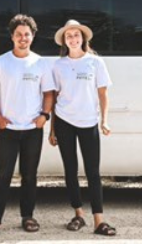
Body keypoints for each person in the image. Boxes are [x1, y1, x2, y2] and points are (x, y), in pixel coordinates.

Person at [0, 14, 55, 238]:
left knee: (30, 175)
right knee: (3, 176)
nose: (23, 38)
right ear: (12, 36)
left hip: (33, 130)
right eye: (19, 34)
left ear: (33, 37)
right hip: (8, 131)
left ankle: (28, 217)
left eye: (27, 34)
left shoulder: (40, 62)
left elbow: (49, 93)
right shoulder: (1, 62)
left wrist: (44, 116)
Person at [49, 19, 117, 236]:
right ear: (64, 41)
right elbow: (54, 97)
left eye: (76, 35)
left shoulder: (95, 63)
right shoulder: (58, 66)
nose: (73, 39)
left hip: (88, 122)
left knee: (93, 172)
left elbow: (103, 94)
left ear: (83, 38)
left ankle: (99, 220)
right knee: (70, 170)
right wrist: (52, 129)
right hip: (64, 121)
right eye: (69, 36)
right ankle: (78, 214)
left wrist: (104, 120)